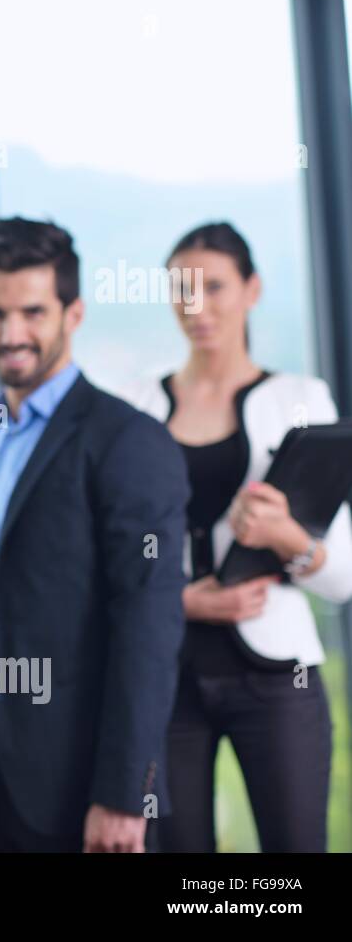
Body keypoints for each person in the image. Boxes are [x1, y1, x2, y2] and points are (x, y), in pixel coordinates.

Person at [0, 216, 190, 852]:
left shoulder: (127, 441)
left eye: (32, 312)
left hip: (85, 789)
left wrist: (126, 794)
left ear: (74, 313)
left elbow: (148, 629)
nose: (11, 334)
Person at [121, 222, 352, 852]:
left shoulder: (300, 400)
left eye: (214, 286)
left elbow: (342, 579)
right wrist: (182, 601)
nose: (196, 306)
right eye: (181, 288)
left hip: (276, 679)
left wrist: (284, 536)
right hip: (165, 679)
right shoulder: (137, 404)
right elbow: (105, 558)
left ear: (252, 290)